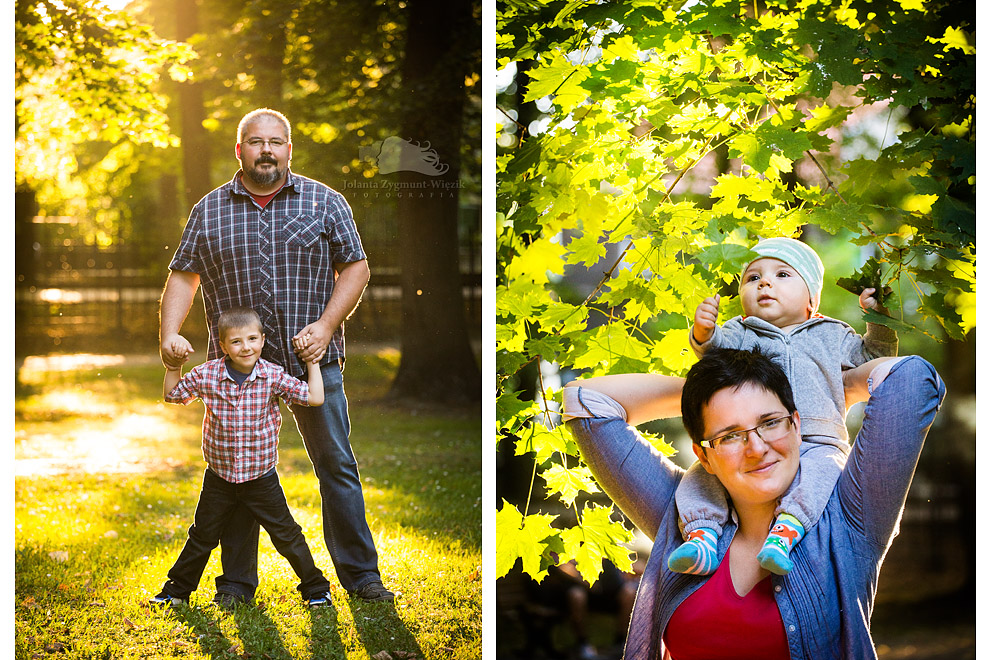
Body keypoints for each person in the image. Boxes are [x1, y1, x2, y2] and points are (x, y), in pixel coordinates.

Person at [563, 348, 944, 659]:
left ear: (796, 424)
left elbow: (911, 382)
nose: (758, 448)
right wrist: (707, 389)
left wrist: (834, 386)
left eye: (770, 422)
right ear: (704, 456)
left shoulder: (849, 520)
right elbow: (586, 403)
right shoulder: (682, 518)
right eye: (730, 435)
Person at [159, 108, 393, 605]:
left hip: (313, 361)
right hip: (235, 370)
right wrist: (169, 335)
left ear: (289, 149)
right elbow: (183, 275)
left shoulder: (325, 201)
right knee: (236, 470)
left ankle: (361, 577)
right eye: (256, 141)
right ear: (239, 150)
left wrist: (326, 327)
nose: (267, 149)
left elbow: (355, 268)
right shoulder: (209, 210)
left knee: (336, 465)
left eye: (276, 141)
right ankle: (238, 585)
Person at [669, 237, 898, 576]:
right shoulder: (741, 332)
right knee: (702, 474)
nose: (764, 282)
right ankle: (702, 535)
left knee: (825, 472)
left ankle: (785, 532)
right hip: (752, 438)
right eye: (752, 277)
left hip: (819, 439)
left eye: (782, 275)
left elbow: (875, 356)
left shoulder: (832, 334)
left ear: (811, 300)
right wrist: (703, 332)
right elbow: (713, 353)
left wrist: (879, 318)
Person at [151, 306, 333, 609]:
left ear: (262, 340)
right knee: (202, 536)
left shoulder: (272, 375)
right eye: (236, 341)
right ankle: (176, 591)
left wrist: (312, 363)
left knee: (287, 536)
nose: (245, 347)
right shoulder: (208, 374)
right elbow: (173, 395)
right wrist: (173, 366)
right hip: (219, 478)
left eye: (252, 339)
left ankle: (316, 589)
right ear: (223, 346)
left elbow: (314, 397)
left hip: (261, 478)